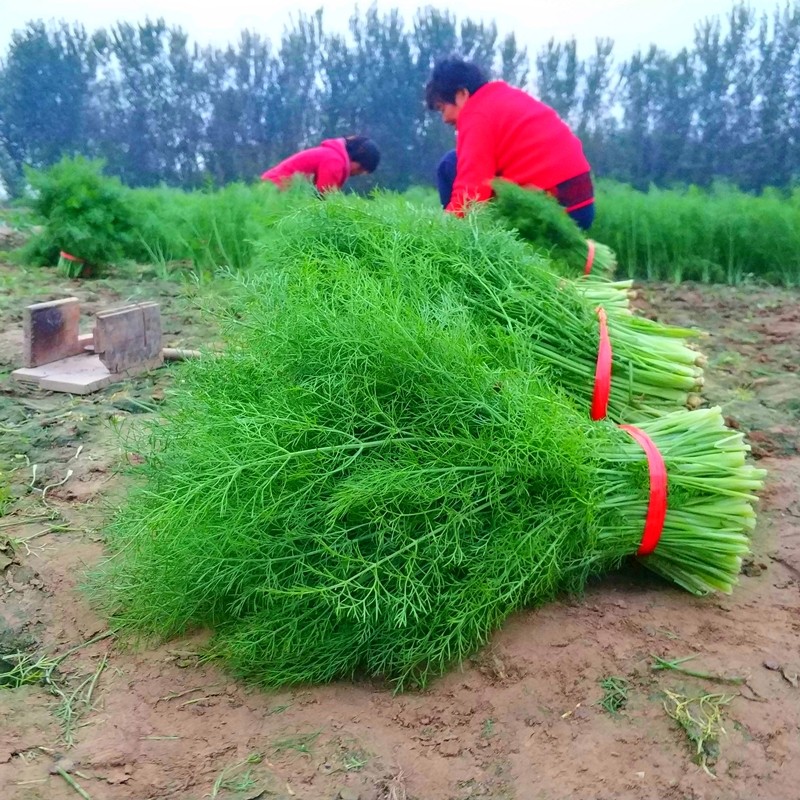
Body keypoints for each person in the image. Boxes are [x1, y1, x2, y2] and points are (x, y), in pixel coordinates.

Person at [425, 57, 595, 230]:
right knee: (457, 160)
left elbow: (472, 194)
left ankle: (459, 247)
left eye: (442, 108)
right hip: (581, 203)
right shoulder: (501, 98)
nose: (445, 118)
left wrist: (440, 231)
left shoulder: (477, 115)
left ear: (462, 94)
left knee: (450, 165)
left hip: (555, 209)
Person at [261, 135, 380, 193]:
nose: (356, 173)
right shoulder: (335, 161)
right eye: (360, 169)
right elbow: (322, 201)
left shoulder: (333, 156)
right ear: (357, 159)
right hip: (273, 192)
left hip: (271, 190)